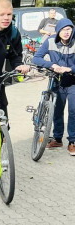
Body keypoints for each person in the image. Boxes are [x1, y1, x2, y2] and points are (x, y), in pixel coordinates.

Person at [32, 17, 75, 154]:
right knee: (56, 111)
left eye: (69, 29)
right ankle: (57, 139)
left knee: (73, 111)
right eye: (63, 29)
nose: (66, 32)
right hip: (56, 80)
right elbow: (36, 58)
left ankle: (72, 141)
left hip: (73, 81)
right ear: (57, 31)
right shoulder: (50, 42)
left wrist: (70, 69)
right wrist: (52, 65)